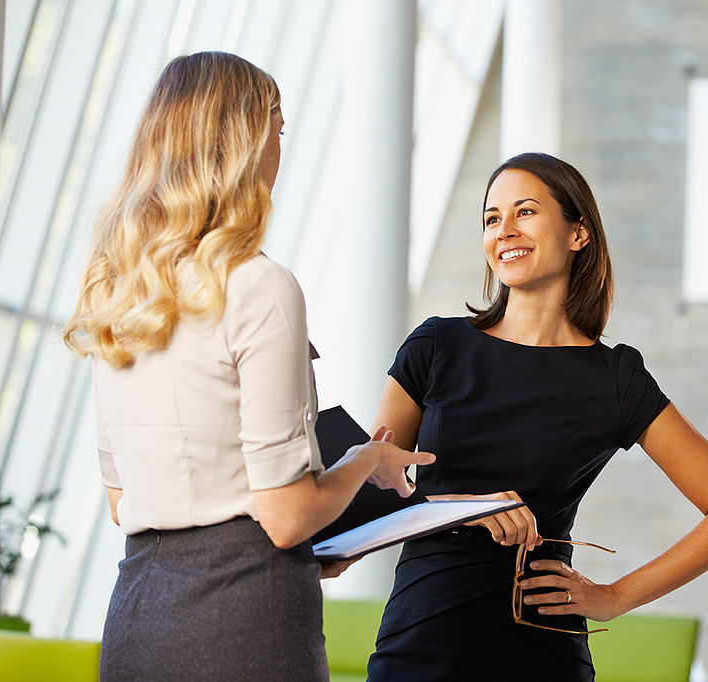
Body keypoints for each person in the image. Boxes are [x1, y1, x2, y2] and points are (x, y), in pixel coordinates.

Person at [62, 52, 433, 682]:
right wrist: (363, 462)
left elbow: (123, 501)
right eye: (278, 130)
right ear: (245, 141)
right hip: (243, 622)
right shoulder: (260, 286)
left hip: (137, 617)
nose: (280, 152)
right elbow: (286, 517)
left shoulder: (120, 292)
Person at [364, 152, 708, 681]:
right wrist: (458, 508)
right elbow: (369, 499)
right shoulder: (436, 348)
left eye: (524, 211)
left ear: (579, 233)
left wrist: (615, 596)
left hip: (539, 653)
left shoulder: (615, 380)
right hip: (419, 638)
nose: (504, 230)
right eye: (491, 218)